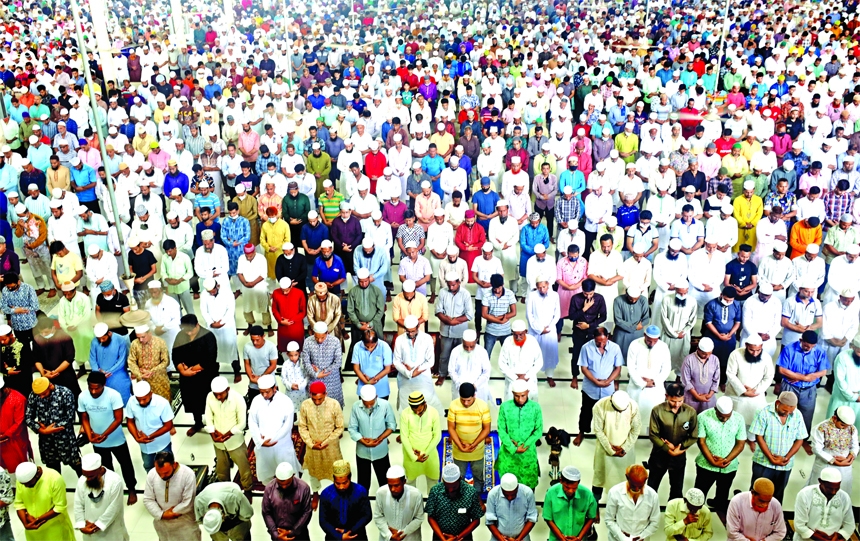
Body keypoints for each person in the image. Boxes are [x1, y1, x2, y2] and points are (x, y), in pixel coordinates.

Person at [78, 371, 138, 506]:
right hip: (97, 441)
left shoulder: (113, 395)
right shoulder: (82, 397)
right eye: (90, 388)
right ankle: (111, 490)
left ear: (103, 385)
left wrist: (104, 434)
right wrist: (90, 435)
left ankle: (132, 489)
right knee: (105, 467)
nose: (93, 391)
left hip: (116, 439)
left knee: (126, 464)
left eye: (96, 388)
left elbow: (118, 419)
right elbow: (84, 418)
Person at [749, 391, 808, 503]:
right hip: (763, 462)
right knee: (757, 492)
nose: (787, 413)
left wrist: (787, 457)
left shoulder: (797, 414)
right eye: (784, 410)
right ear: (777, 403)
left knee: (777, 495)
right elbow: (759, 437)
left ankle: (772, 519)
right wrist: (771, 458)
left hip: (785, 465)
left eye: (790, 411)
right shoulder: (763, 412)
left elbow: (800, 439)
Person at [776, 330, 829, 450]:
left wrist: (802, 377)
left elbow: (823, 371)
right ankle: (782, 437)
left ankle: (803, 440)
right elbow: (782, 370)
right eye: (806, 345)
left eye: (811, 347)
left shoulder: (819, 351)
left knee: (807, 414)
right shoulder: (789, 349)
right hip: (790, 387)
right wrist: (803, 377)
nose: (808, 348)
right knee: (784, 412)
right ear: (801, 340)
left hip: (809, 389)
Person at [694, 396, 747, 514]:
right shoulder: (703, 417)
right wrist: (712, 461)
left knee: (723, 495)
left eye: (727, 417)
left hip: (729, 466)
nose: (724, 419)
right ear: (715, 409)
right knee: (699, 495)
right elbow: (701, 441)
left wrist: (727, 459)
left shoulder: (739, 419)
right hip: (705, 464)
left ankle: (719, 510)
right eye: (721, 416)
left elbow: (741, 443)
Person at [646, 382, 698, 501]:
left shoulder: (690, 412)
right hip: (659, 456)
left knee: (677, 489)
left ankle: (674, 515)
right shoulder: (657, 410)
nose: (676, 404)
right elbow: (653, 435)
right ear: (667, 396)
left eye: (680, 401)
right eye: (673, 401)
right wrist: (667, 448)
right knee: (651, 488)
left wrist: (679, 449)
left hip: (679, 457)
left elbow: (693, 436)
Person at [297, 381, 345, 509]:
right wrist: (311, 444)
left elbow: (340, 427)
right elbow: (302, 427)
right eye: (314, 399)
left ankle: (337, 493)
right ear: (310, 394)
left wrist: (325, 442)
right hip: (312, 447)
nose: (317, 402)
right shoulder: (305, 405)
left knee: (335, 471)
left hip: (331, 447)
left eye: (320, 399)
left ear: (326, 394)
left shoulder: (334, 404)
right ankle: (316, 493)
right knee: (314, 472)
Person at [249, 374, 302, 487]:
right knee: (266, 471)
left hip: (281, 444)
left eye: (267, 392)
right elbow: (252, 422)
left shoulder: (286, 401)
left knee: (288, 469)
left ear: (275, 388)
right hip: (263, 445)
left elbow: (287, 426)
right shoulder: (256, 401)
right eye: (261, 392)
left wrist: (272, 439)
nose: (264, 395)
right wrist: (260, 440)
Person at [725, 334, 776, 448]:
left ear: (762, 346)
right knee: (735, 418)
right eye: (752, 350)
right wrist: (743, 391)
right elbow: (731, 374)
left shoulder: (766, 357)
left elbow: (769, 377)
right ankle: (736, 439)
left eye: (758, 350)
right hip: (737, 393)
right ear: (746, 345)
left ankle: (751, 439)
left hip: (756, 394)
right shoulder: (735, 354)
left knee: (755, 418)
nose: (755, 353)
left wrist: (756, 391)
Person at [204, 376, 253, 492]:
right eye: (216, 394)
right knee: (221, 469)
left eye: (221, 394)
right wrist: (213, 434)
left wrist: (227, 435)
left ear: (228, 389)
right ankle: (225, 491)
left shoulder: (238, 399)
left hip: (235, 442)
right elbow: (208, 417)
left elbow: (242, 423)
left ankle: (248, 489)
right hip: (218, 442)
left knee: (243, 468)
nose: (218, 397)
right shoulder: (210, 397)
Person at [25, 377, 81, 476]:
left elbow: (69, 418)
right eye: (39, 395)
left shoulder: (65, 393)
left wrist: (49, 429)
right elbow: (28, 417)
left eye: (44, 394)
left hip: (65, 439)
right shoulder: (34, 395)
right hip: (47, 442)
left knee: (78, 468)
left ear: (50, 385)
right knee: (53, 473)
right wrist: (41, 430)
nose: (41, 397)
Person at [591, 391, 641, 503]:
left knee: (625, 480)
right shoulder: (600, 405)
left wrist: (625, 448)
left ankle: (621, 505)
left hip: (625, 453)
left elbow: (636, 429)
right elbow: (598, 430)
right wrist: (610, 449)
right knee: (599, 478)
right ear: (611, 401)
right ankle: (594, 507)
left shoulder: (633, 406)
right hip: (604, 451)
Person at [173, 314, 219, 435]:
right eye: (186, 331)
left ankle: (214, 424)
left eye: (191, 330)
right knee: (193, 401)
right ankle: (197, 422)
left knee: (210, 400)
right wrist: (182, 371)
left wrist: (192, 369)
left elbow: (210, 358)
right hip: (188, 377)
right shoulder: (180, 335)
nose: (188, 333)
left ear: (197, 325)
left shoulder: (208, 336)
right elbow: (175, 354)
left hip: (206, 375)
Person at [142, 450, 201, 541]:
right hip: (162, 525)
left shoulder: (187, 475)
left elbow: (188, 502)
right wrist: (161, 514)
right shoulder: (152, 474)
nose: (162, 476)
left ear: (174, 464)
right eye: (159, 473)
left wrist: (172, 513)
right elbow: (148, 499)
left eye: (166, 473)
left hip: (185, 525)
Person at [347, 384, 397, 490]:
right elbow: (352, 429)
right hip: (362, 452)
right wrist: (362, 440)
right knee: (363, 484)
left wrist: (380, 438)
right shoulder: (356, 407)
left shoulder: (385, 405)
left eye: (371, 404)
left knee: (384, 483)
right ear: (361, 399)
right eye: (366, 404)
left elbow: (391, 425)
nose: (369, 406)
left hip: (381, 451)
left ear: (376, 397)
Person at [495, 380, 542, 491]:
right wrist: (513, 447)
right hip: (508, 453)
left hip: (527, 452)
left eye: (523, 396)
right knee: (507, 486)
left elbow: (538, 430)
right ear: (512, 393)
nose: (520, 399)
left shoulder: (535, 407)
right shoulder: (505, 407)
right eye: (516, 396)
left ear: (528, 392)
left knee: (528, 488)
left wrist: (524, 445)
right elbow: (501, 430)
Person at [392, 315, 445, 415]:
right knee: (406, 408)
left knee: (429, 404)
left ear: (418, 327)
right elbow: (396, 361)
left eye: (413, 331)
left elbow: (430, 361)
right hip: (405, 378)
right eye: (408, 331)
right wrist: (409, 373)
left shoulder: (427, 338)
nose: (410, 333)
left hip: (423, 377)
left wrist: (416, 371)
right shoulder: (400, 339)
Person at [448, 382, 492, 497]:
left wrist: (474, 444)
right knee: (459, 476)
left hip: (477, 450)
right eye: (463, 400)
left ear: (474, 396)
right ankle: (461, 498)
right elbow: (451, 428)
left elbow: (486, 429)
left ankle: (476, 497)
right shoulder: (454, 405)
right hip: (459, 450)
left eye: (469, 400)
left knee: (478, 475)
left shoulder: (482, 406)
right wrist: (459, 445)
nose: (466, 403)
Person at [13, 462, 76, 541]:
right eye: (23, 484)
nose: (25, 486)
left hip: (55, 529)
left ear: (37, 474)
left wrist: (37, 521)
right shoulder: (23, 480)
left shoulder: (55, 479)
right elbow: (19, 504)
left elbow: (60, 507)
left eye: (29, 484)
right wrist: (25, 523)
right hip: (32, 531)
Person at [73, 452, 129, 540]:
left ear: (100, 469)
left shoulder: (115, 481)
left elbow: (114, 508)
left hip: (111, 531)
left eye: (91, 476)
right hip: (89, 530)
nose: (88, 479)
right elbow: (78, 503)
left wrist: (98, 525)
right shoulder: (82, 480)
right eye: (85, 475)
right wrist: (81, 524)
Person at [626, 325, 671, 434]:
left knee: (654, 414)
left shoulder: (663, 347)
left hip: (656, 387)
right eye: (649, 341)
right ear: (644, 335)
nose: (652, 343)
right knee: (634, 413)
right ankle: (633, 434)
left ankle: (652, 434)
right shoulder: (634, 344)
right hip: (637, 387)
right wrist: (643, 383)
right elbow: (631, 367)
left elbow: (666, 368)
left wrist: (654, 382)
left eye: (655, 341)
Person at [425, 463, 485, 541]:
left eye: (454, 487)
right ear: (443, 480)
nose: (450, 490)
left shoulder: (471, 492)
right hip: (440, 537)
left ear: (460, 478)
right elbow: (431, 517)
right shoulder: (435, 491)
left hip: (463, 538)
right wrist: (443, 539)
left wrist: (457, 538)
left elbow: (476, 520)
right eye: (447, 486)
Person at [793, 467, 854, 541]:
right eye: (830, 488)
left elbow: (850, 525)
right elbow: (799, 526)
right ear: (820, 481)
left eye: (837, 488)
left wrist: (838, 536)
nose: (833, 492)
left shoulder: (844, 497)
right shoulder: (805, 494)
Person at [807, 407, 858, 496]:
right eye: (842, 425)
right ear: (834, 418)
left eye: (847, 426)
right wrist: (834, 461)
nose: (844, 428)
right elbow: (816, 449)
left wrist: (850, 457)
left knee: (842, 491)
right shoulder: (821, 428)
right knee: (820, 491)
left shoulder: (852, 428)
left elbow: (855, 446)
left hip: (845, 465)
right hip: (825, 463)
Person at [435, 272, 474, 385]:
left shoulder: (465, 294)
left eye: (453, 285)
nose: (451, 287)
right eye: (449, 285)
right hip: (445, 331)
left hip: (460, 332)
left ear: (458, 282)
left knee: (461, 355)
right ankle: (442, 375)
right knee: (444, 355)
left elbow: (469, 314)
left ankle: (460, 376)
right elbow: (438, 311)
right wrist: (448, 321)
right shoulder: (442, 292)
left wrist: (454, 321)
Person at [125, 381, 174, 472]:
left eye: (144, 399)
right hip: (144, 444)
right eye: (138, 399)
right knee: (148, 466)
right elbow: (130, 422)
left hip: (162, 442)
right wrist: (136, 437)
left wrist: (149, 436)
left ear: (151, 394)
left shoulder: (162, 403)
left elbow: (168, 425)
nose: (141, 402)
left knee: (167, 466)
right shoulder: (131, 401)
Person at [604, 465, 661, 541]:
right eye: (633, 486)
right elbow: (609, 520)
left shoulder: (653, 496)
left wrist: (641, 536)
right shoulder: (615, 492)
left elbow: (655, 522)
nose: (637, 489)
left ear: (646, 480)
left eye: (640, 486)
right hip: (617, 539)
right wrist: (623, 538)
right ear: (627, 477)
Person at [318, 460, 372, 541]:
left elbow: (367, 516)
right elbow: (323, 521)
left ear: (350, 478)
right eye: (338, 483)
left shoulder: (360, 491)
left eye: (345, 482)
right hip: (333, 537)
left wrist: (349, 531)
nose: (341, 487)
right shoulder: (326, 494)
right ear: (333, 479)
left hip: (356, 535)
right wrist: (339, 537)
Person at [200, 277, 240, 380]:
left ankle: (237, 372)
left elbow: (231, 310)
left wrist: (222, 322)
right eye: (209, 292)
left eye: (213, 291)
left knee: (231, 348)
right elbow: (204, 311)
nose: (211, 294)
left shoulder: (227, 293)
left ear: (217, 286)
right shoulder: (204, 294)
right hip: (212, 327)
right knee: (214, 350)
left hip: (227, 326)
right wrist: (211, 323)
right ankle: (215, 373)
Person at [261, 462, 313, 541]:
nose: (284, 486)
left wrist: (292, 532)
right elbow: (266, 512)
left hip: (299, 534)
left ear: (293, 475)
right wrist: (275, 534)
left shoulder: (303, 488)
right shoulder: (269, 488)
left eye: (287, 483)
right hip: (278, 535)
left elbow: (307, 512)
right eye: (281, 484)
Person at [542, 466, 597, 541]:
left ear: (578, 482)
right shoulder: (551, 493)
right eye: (567, 487)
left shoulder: (587, 495)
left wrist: (579, 538)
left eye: (574, 488)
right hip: (556, 539)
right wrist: (561, 538)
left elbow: (591, 518)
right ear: (561, 481)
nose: (571, 491)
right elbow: (548, 519)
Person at [702, 287, 742, 388]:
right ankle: (709, 381)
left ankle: (722, 381)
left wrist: (730, 334)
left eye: (730, 300)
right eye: (726, 299)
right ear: (721, 295)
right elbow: (708, 323)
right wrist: (718, 335)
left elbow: (737, 322)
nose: (728, 302)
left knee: (726, 360)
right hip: (713, 337)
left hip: (729, 338)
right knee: (710, 360)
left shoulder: (736, 304)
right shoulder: (711, 304)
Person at [372, 465, 425, 541]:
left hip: (410, 538)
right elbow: (378, 516)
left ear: (404, 482)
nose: (393, 489)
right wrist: (389, 535)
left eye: (396, 485)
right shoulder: (381, 493)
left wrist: (402, 533)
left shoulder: (416, 495)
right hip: (388, 538)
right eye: (390, 486)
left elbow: (419, 518)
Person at [346, 268, 385, 366]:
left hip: (374, 325)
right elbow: (350, 310)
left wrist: (370, 323)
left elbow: (381, 310)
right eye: (361, 282)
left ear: (369, 278)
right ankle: (360, 366)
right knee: (358, 346)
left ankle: (377, 365)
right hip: (358, 326)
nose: (363, 284)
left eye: (366, 281)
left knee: (377, 345)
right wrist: (359, 325)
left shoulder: (376, 291)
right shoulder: (353, 292)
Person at [526, 275, 560, 385]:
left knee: (550, 353)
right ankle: (531, 377)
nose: (542, 289)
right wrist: (540, 329)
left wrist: (548, 328)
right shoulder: (531, 296)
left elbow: (557, 314)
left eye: (544, 287)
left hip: (550, 331)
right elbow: (529, 315)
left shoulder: (555, 295)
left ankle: (549, 377)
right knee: (533, 354)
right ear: (536, 286)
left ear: (548, 285)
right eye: (539, 287)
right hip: (535, 331)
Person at [498, 320, 543, 401]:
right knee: (511, 408)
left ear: (526, 331)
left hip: (529, 380)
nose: (518, 338)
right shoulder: (507, 341)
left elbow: (539, 362)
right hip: (512, 380)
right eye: (515, 335)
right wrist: (515, 378)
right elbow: (502, 363)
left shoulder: (532, 341)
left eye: (521, 334)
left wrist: (526, 376)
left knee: (529, 407)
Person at [485, 473, 539, 541]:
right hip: (498, 538)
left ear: (517, 488)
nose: (510, 498)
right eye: (506, 495)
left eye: (513, 494)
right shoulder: (493, 494)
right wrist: (501, 539)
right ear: (501, 489)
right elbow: (489, 521)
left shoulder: (527, 493)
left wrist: (518, 539)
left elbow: (532, 518)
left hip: (523, 538)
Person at [660, 280, 697, 373]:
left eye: (685, 293)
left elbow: (692, 320)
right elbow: (664, 319)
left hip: (683, 336)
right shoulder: (666, 299)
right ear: (675, 290)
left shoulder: (692, 301)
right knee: (664, 358)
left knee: (682, 359)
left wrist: (683, 332)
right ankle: (663, 381)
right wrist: (674, 334)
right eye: (680, 293)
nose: (682, 296)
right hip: (668, 335)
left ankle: (678, 381)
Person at [89, 323, 132, 405]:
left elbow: (122, 360)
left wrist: (109, 371)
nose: (101, 341)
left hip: (118, 374)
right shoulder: (94, 341)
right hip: (100, 374)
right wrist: (98, 372)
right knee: (104, 400)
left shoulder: (120, 340)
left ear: (109, 333)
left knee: (122, 398)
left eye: (103, 338)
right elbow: (92, 358)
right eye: (99, 339)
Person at [127, 324, 171, 401]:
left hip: (159, 380)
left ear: (149, 333)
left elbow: (166, 361)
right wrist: (139, 374)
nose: (140, 340)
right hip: (142, 380)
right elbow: (131, 361)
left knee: (162, 403)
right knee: (144, 403)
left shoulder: (160, 342)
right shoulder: (134, 344)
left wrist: (151, 371)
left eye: (143, 337)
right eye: (138, 337)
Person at [237, 243, 272, 334]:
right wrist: (245, 282)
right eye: (247, 256)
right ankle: (250, 325)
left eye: (250, 256)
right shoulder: (241, 258)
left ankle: (268, 325)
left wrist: (253, 283)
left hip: (259, 285)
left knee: (264, 306)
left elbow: (263, 275)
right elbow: (239, 273)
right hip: (246, 286)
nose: (248, 258)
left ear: (254, 252)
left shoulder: (261, 258)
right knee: (247, 308)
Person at [827, 336, 860, 429]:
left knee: (853, 429)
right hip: (842, 398)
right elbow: (840, 381)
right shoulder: (842, 357)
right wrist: (854, 397)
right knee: (835, 427)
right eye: (859, 351)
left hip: (858, 401)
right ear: (852, 347)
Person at [0, 373, 30, 474]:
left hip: (14, 441)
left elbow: (19, 422)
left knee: (18, 470)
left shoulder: (18, 399)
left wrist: (4, 435)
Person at [680, 338, 720, 413]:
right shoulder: (689, 360)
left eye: (709, 353)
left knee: (707, 418)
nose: (707, 356)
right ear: (698, 349)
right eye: (704, 354)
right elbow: (686, 381)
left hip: (709, 398)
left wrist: (709, 395)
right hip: (692, 398)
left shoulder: (715, 359)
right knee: (691, 419)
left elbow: (716, 379)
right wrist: (697, 396)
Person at [0, 324, 38, 401]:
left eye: (4, 339)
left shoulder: (23, 345)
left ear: (11, 335)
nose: (2, 342)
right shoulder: (1, 345)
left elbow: (28, 363)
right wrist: (7, 371)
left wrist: (9, 368)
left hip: (23, 380)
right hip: (8, 381)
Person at [243, 325, 279, 402]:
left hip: (269, 382)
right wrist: (251, 377)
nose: (255, 343)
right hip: (254, 384)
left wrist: (261, 378)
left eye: (257, 340)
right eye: (252, 340)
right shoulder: (247, 347)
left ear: (263, 336)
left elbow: (273, 365)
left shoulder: (271, 347)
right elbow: (247, 364)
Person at [271, 277, 307, 353]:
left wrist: (292, 320)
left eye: (286, 290)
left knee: (298, 349)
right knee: (284, 348)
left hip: (296, 326)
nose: (284, 293)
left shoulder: (299, 293)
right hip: (283, 326)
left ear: (291, 286)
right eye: (282, 290)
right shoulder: (276, 293)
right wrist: (280, 320)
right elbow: (274, 309)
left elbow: (303, 311)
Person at [612, 287, 650, 358]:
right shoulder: (618, 300)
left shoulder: (643, 300)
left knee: (636, 356)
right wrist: (635, 327)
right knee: (619, 357)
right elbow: (618, 320)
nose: (633, 301)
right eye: (631, 299)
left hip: (637, 334)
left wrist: (641, 325)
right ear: (626, 294)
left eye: (636, 299)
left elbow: (646, 319)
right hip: (622, 333)